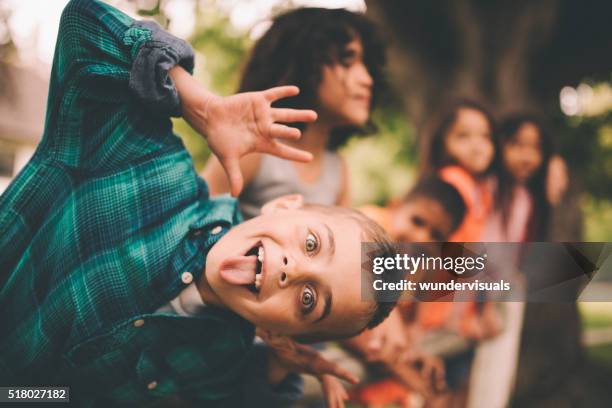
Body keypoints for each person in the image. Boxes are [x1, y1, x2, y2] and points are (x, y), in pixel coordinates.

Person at [0, 1, 398, 406]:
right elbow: (84, 23)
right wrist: (202, 107)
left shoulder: (222, 356)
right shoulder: (146, 170)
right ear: (284, 205)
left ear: (281, 334)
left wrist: (276, 370)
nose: (292, 270)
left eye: (309, 300)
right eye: (312, 244)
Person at [202, 7, 385, 218]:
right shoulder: (254, 150)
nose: (367, 79)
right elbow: (197, 219)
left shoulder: (338, 168)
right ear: (304, 63)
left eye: (366, 65)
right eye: (347, 60)